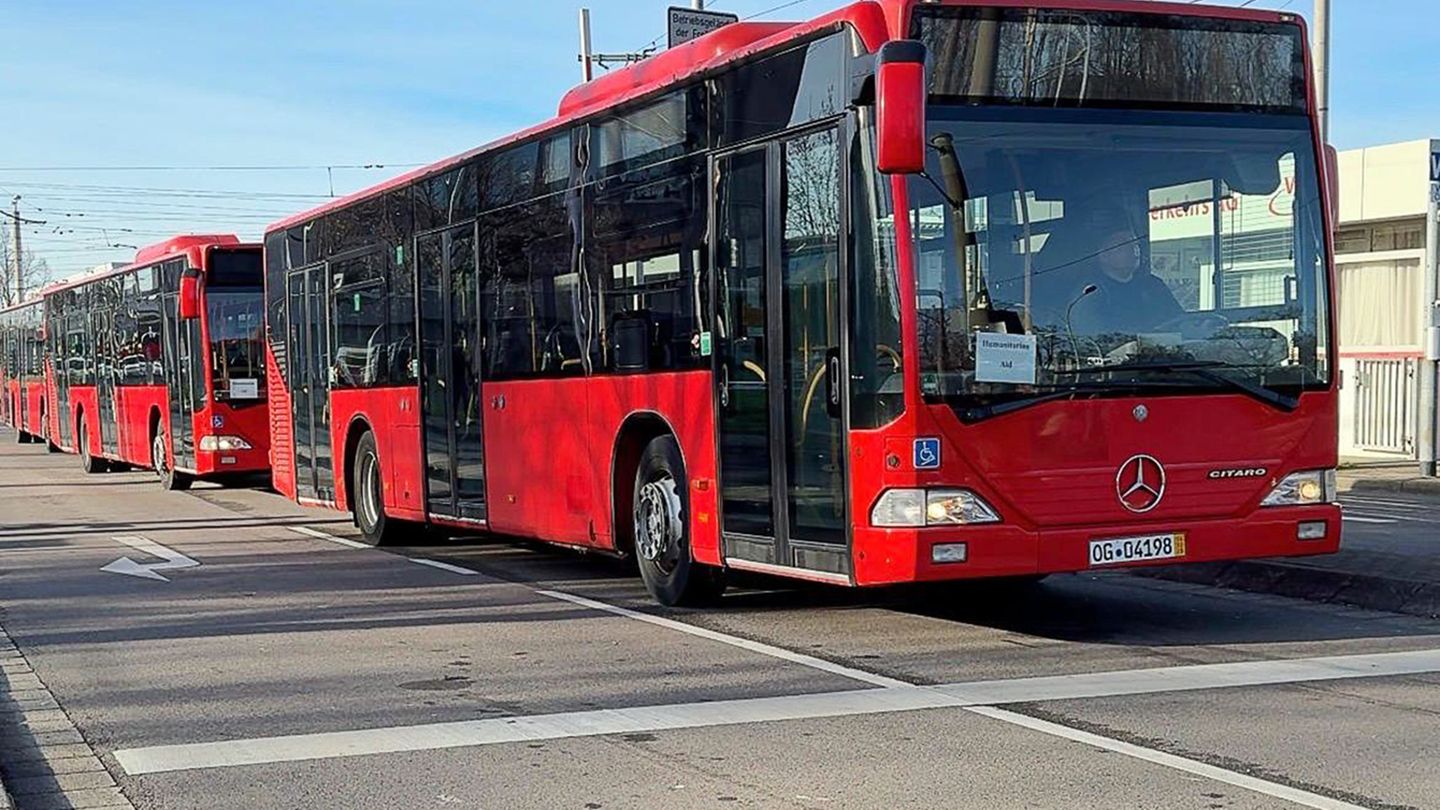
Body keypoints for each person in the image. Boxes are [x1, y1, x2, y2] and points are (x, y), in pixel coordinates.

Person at [1069, 213, 1183, 336]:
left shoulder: (1153, 285)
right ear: (1103, 255)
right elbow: (1092, 341)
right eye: (1124, 245)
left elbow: (1180, 321)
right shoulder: (1089, 293)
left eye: (1135, 244)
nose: (1134, 249)